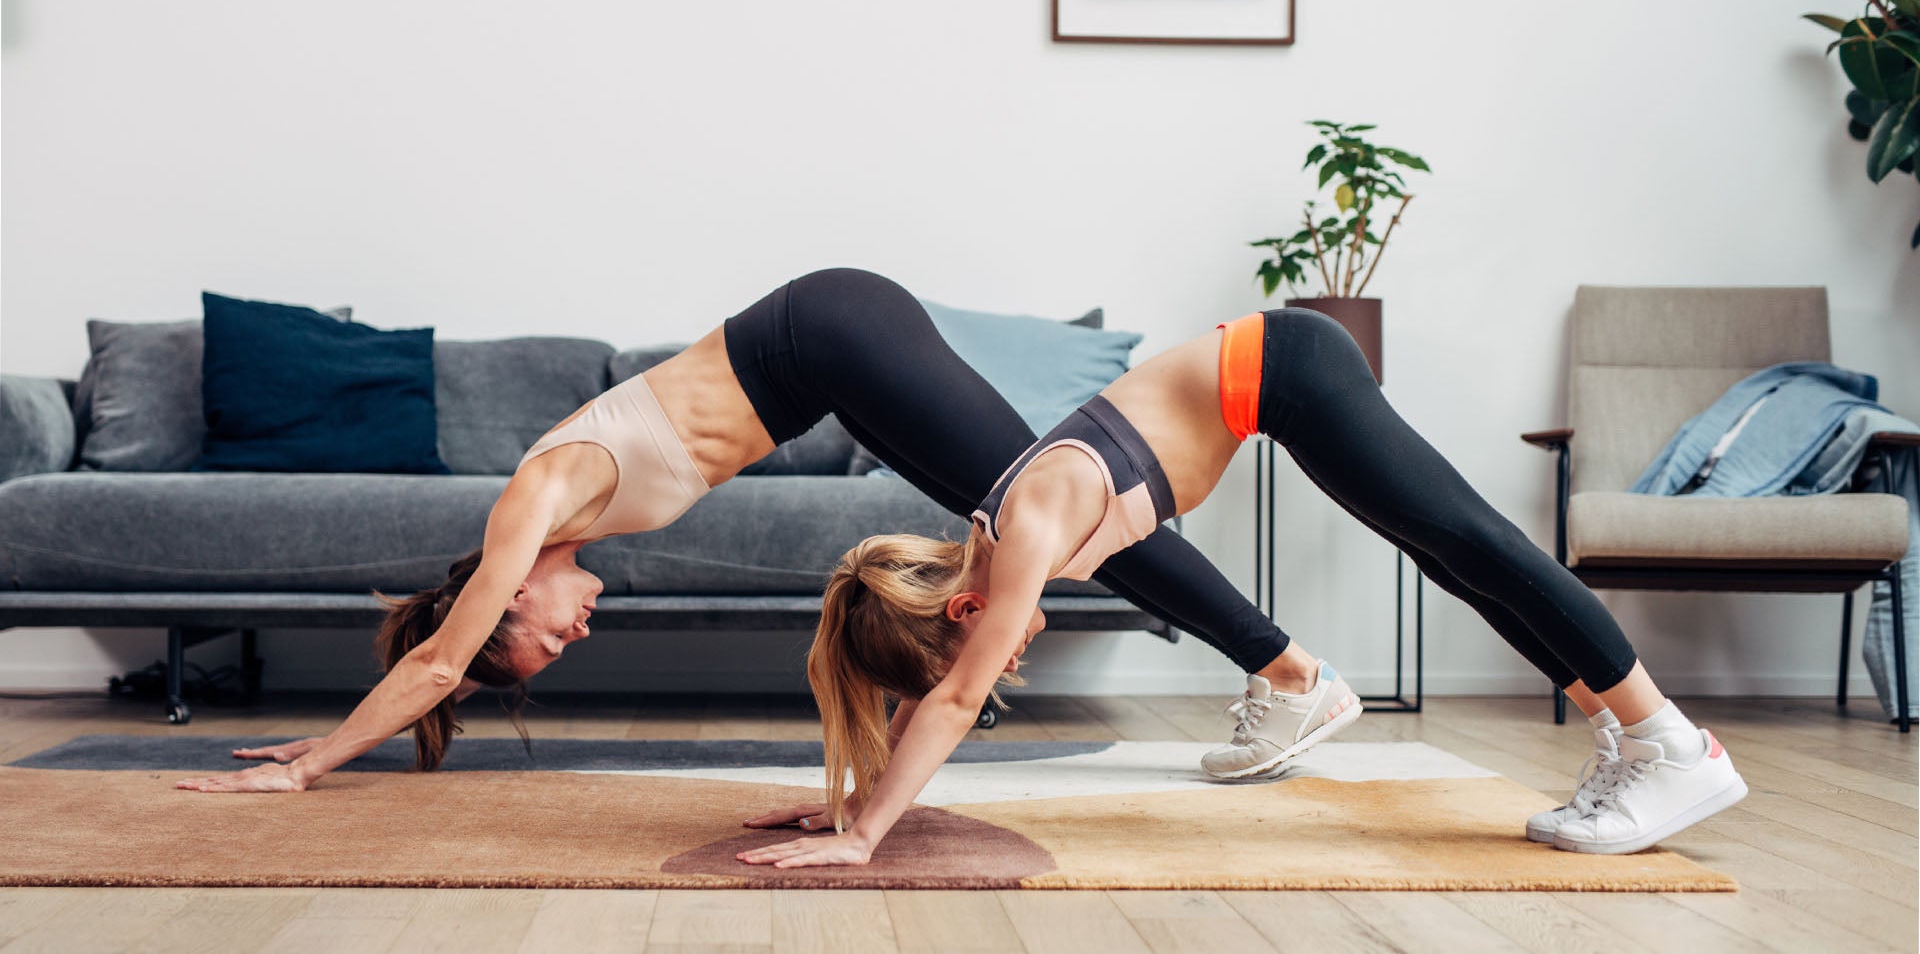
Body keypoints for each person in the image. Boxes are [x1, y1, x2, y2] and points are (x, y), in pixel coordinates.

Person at [176, 270, 1339, 793]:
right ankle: (1283, 670)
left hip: (826, 337)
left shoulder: (525, 512)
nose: (572, 636)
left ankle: (1289, 671)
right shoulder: (558, 515)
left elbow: (437, 658)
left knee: (1051, 506)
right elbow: (445, 656)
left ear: (505, 599)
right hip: (823, 357)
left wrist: (316, 758)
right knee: (1052, 514)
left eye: (540, 641)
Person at [742, 306, 1747, 869]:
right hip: (1279, 377)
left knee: (1471, 539)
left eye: (994, 657)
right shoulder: (1001, 538)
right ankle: (1627, 731)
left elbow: (952, 695)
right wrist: (857, 794)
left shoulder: (1021, 534)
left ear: (963, 612)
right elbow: (946, 685)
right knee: (1450, 558)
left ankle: (1671, 742)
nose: (1012, 663)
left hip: (1286, 369)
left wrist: (868, 834)